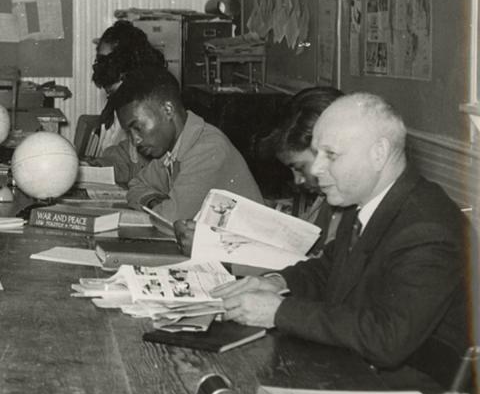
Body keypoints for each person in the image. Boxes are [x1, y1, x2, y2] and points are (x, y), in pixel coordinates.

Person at [211, 92, 472, 389]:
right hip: (357, 367)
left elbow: (387, 338)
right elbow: (328, 269)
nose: (318, 168)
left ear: (379, 153)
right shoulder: (365, 201)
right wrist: (275, 283)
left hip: (412, 393)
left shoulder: (428, 228)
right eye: (316, 153)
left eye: (331, 155)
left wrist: (277, 312)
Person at [174, 86, 344, 256]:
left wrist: (215, 249)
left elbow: (315, 269)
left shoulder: (344, 205)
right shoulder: (325, 200)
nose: (298, 180)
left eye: (300, 168)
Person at [110, 67, 264, 221]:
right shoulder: (171, 149)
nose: (135, 140)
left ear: (168, 110)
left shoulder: (208, 149)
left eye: (137, 127)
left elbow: (171, 219)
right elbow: (136, 185)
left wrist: (158, 206)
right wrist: (153, 202)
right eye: (129, 132)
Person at [86, 20, 167, 185]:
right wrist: (93, 167)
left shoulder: (150, 112)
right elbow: (123, 159)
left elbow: (144, 171)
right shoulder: (115, 109)